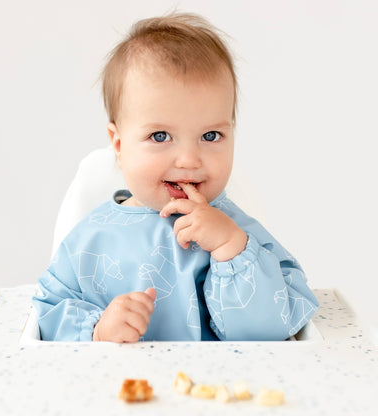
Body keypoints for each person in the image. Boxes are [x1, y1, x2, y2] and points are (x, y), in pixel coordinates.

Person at [33, 12, 319, 342]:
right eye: (160, 136)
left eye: (211, 136)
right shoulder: (89, 241)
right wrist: (96, 331)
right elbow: (46, 316)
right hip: (118, 389)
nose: (188, 160)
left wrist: (231, 249)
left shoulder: (238, 232)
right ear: (119, 145)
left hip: (217, 389)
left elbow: (271, 332)